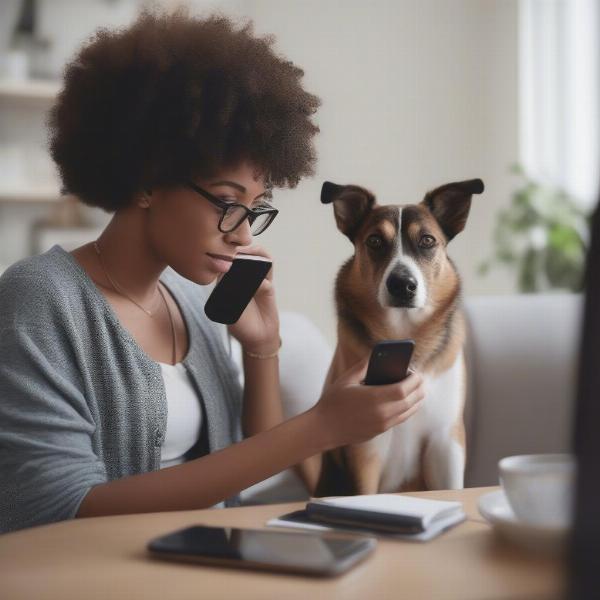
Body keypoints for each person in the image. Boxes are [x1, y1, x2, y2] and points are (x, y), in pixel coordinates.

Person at [0, 9, 425, 534]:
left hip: (208, 563)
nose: (244, 234)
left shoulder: (188, 298)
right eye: (227, 203)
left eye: (256, 208)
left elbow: (244, 472)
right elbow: (60, 510)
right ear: (146, 179)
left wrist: (262, 347)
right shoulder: (38, 300)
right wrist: (321, 427)